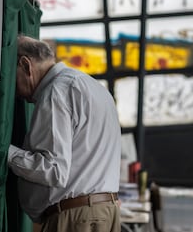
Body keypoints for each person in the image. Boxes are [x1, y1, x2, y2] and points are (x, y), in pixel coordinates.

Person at [8, 34, 122, 232]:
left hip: (76, 218)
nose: (15, 91)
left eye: (11, 76)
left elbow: (53, 169)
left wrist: (3, 151)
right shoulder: (92, 86)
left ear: (25, 65)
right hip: (103, 212)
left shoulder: (56, 92)